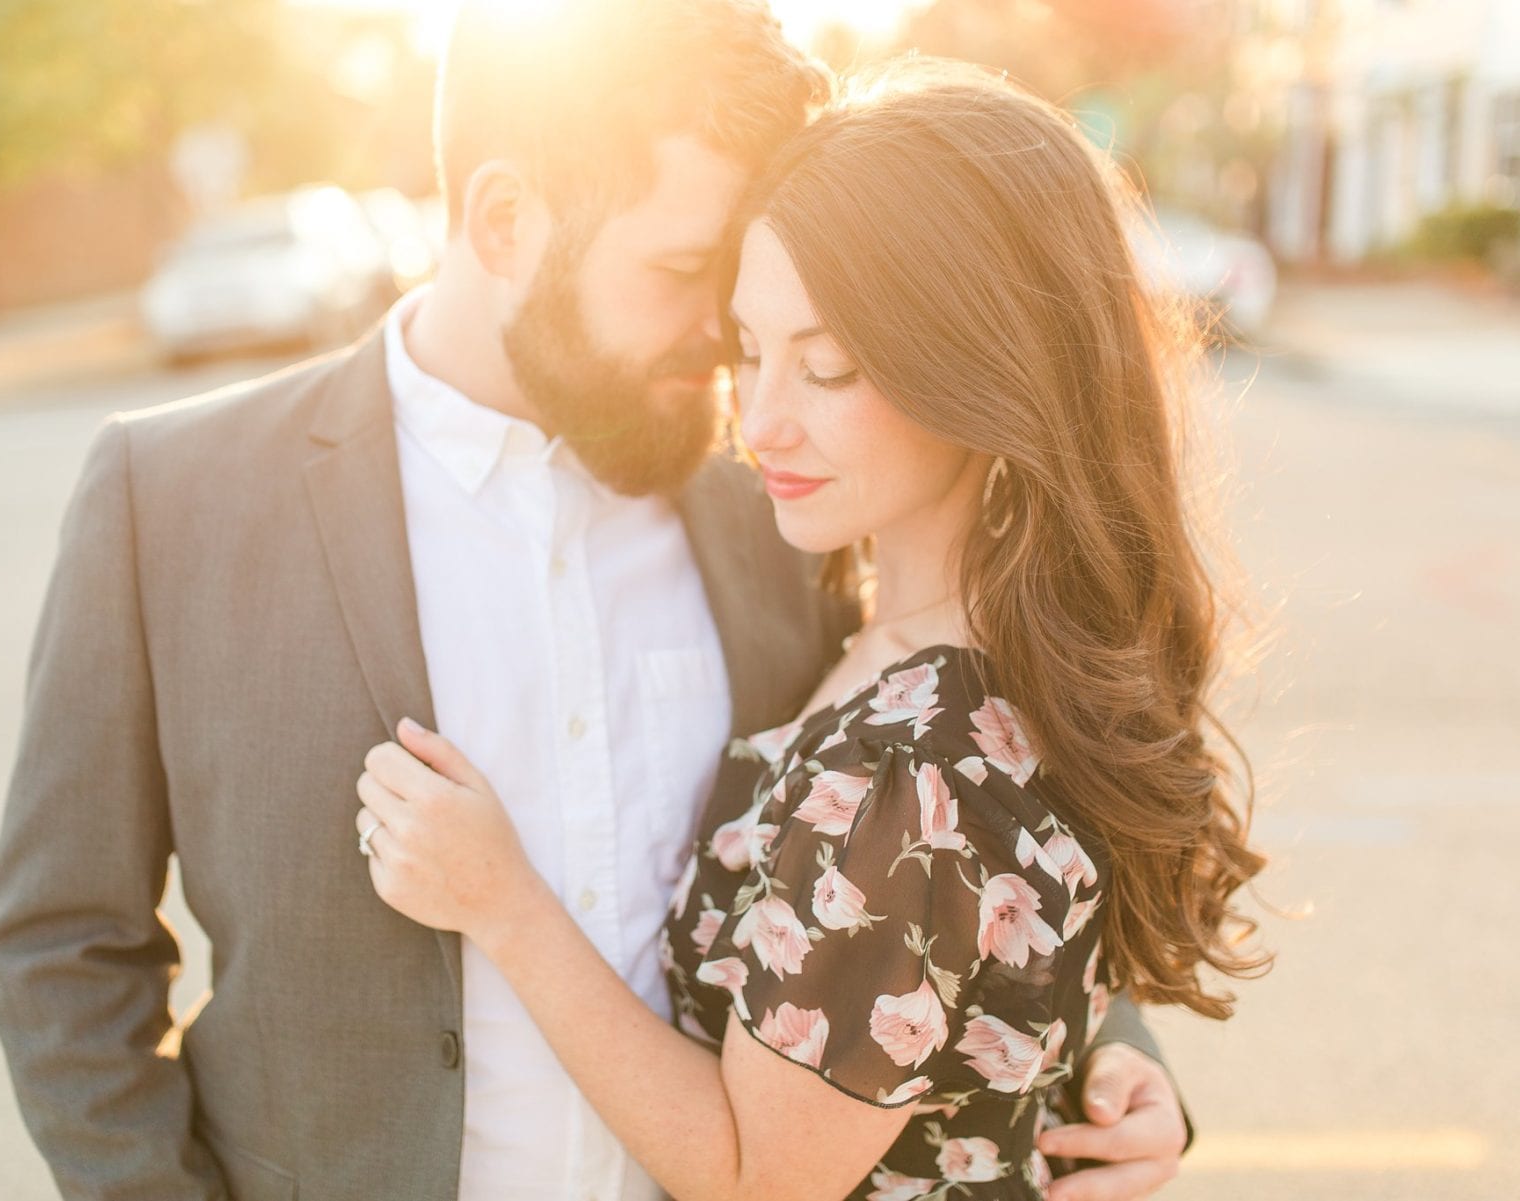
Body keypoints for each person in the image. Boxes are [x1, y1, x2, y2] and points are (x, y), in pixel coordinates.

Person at [0, 3, 1193, 1198]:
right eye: (683, 270)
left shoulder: (784, 499)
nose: (728, 342)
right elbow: (62, 946)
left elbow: (940, 825)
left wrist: (1107, 1061)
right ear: (506, 220)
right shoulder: (176, 500)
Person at [353, 57, 1269, 1201]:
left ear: (977, 372)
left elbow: (752, 1180)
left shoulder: (918, 758)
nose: (763, 419)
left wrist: (503, 902)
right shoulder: (966, 640)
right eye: (750, 349)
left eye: (827, 366)